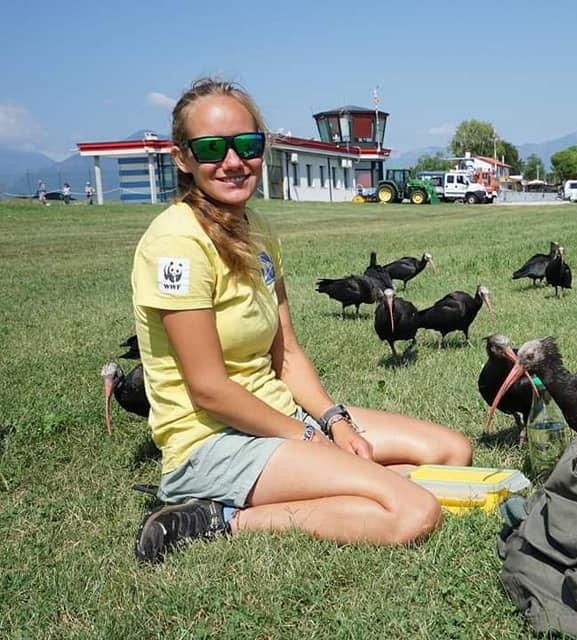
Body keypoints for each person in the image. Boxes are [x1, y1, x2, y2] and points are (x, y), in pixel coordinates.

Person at [130, 77, 472, 563]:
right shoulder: (176, 244)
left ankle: (333, 487)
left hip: (279, 417)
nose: (233, 161)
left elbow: (286, 352)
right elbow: (209, 389)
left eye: (247, 144)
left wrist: (333, 421)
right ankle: (215, 518)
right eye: (211, 148)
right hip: (210, 441)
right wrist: (309, 439)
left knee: (452, 453)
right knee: (413, 511)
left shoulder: (258, 231)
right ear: (182, 157)